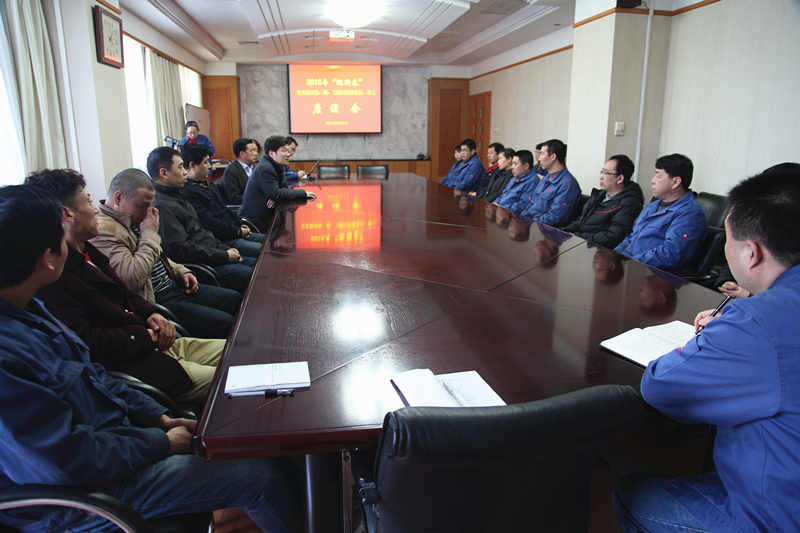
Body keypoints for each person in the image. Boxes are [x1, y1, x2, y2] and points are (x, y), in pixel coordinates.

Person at [0, 185, 298, 533]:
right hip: (88, 494)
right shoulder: (9, 353)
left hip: (118, 443)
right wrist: (159, 442)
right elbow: (64, 460)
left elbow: (97, 377)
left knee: (259, 433)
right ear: (47, 260)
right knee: (257, 476)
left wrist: (159, 418)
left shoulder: (30, 309)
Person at [614, 165, 800, 533]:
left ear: (751, 254)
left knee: (631, 492)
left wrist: (723, 333)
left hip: (777, 517)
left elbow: (661, 387)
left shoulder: (755, 324)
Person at [26, 169, 224, 404]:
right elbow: (89, 341)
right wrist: (145, 336)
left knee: (239, 352)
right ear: (67, 214)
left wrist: (151, 313)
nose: (95, 209)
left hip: (158, 343)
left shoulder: (87, 251)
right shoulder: (54, 276)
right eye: (88, 202)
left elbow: (124, 293)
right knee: (231, 379)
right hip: (141, 364)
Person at [91, 168, 241, 339]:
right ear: (118, 198)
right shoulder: (103, 230)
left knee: (235, 299)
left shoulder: (131, 218)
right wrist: (149, 234)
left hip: (174, 285)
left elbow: (159, 255)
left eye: (150, 205)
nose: (148, 212)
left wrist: (181, 271)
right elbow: (131, 278)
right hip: (157, 302)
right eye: (143, 205)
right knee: (228, 324)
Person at [148, 146, 255, 293]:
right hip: (205, 265)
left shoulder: (177, 194)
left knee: (259, 264)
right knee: (256, 274)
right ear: (164, 173)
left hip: (214, 251)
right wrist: (224, 255)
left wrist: (224, 249)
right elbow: (182, 250)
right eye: (180, 167)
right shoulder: (162, 206)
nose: (185, 172)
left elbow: (201, 232)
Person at [615, 153, 706, 272]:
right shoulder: (652, 206)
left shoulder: (689, 214)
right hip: (631, 267)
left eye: (658, 176)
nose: (652, 181)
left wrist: (631, 262)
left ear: (676, 182)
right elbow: (632, 237)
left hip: (653, 274)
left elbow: (670, 253)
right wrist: (614, 256)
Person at [181, 143, 266, 256]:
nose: (209, 166)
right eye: (205, 162)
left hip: (233, 231)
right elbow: (209, 223)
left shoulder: (209, 185)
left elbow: (224, 209)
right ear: (192, 165)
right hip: (222, 240)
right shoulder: (188, 192)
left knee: (270, 241)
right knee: (266, 251)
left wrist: (239, 224)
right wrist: (237, 231)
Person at [563, 154, 643, 248]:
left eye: (606, 173)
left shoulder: (630, 203)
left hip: (599, 249)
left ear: (620, 179)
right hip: (582, 243)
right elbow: (581, 221)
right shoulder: (599, 195)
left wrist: (578, 236)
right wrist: (564, 231)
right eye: (601, 172)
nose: (601, 176)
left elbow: (612, 237)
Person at [239, 135, 317, 232]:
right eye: (284, 151)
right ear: (272, 153)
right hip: (254, 222)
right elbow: (276, 194)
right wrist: (303, 193)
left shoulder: (277, 165)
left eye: (288, 151)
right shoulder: (265, 168)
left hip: (269, 215)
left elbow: (282, 190)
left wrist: (276, 196)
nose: (288, 154)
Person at [519, 139, 581, 226]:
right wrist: (521, 219)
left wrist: (530, 223)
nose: (539, 159)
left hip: (545, 229)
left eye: (542, 154)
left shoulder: (567, 184)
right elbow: (531, 203)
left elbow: (554, 217)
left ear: (553, 157)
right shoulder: (546, 178)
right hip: (530, 224)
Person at [492, 149, 541, 222]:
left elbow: (522, 205)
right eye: (512, 164)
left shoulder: (533, 181)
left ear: (526, 166)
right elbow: (503, 195)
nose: (512, 167)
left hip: (514, 219)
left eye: (515, 164)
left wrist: (502, 208)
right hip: (500, 213)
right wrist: (494, 204)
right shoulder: (514, 178)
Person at [219, 137, 259, 204]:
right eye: (252, 151)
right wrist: (257, 199)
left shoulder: (257, 168)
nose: (256, 154)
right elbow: (234, 198)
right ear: (242, 154)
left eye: (256, 150)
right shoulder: (231, 171)